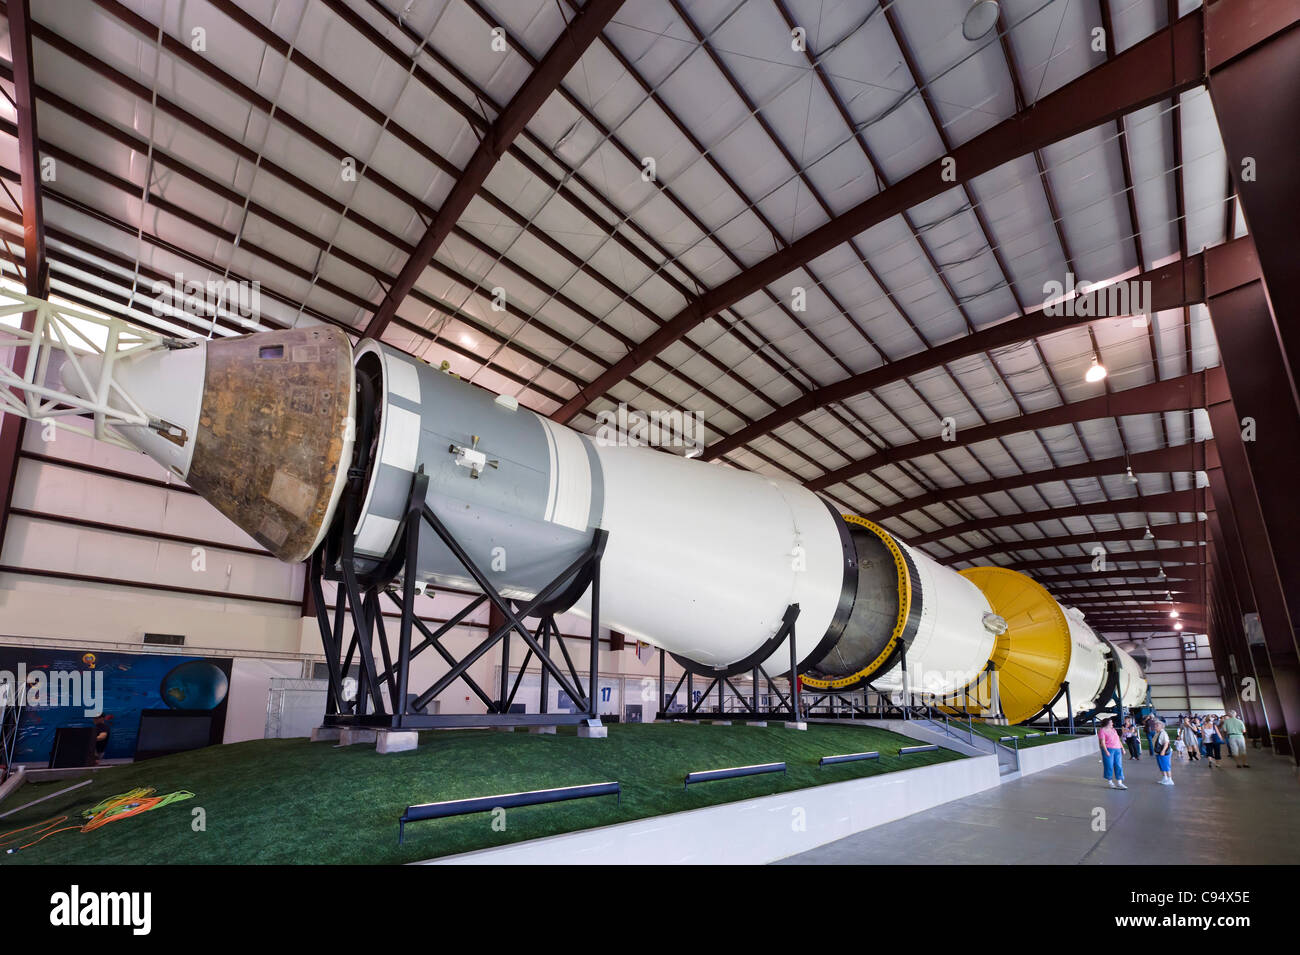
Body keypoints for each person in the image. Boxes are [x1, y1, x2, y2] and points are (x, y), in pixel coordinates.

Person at [1097, 717, 1127, 789]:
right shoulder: (1102, 731)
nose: (1112, 723)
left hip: (1117, 749)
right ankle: (1110, 782)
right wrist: (1106, 751)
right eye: (1111, 722)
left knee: (1118, 765)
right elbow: (1102, 743)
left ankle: (1120, 782)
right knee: (1109, 765)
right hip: (1108, 749)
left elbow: (1118, 740)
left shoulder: (1113, 730)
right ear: (1107, 723)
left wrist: (1122, 748)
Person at [1152, 720, 1174, 785]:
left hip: (1164, 753)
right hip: (1158, 752)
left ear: (1161, 727)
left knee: (1166, 766)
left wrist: (1163, 751)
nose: (1155, 726)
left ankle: (1170, 780)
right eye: (1155, 725)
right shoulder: (1157, 733)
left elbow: (1166, 743)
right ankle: (1165, 778)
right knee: (1161, 766)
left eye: (1157, 725)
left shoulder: (1163, 733)